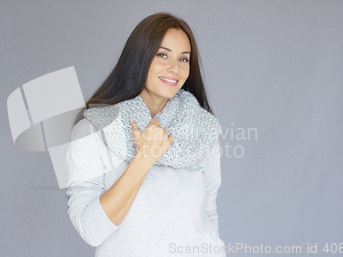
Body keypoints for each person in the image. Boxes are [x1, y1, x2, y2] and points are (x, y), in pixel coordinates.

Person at [66, 13, 226, 256]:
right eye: (162, 55)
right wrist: (144, 158)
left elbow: (208, 214)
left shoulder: (203, 130)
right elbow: (90, 231)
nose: (174, 68)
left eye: (184, 59)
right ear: (138, 58)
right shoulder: (92, 131)